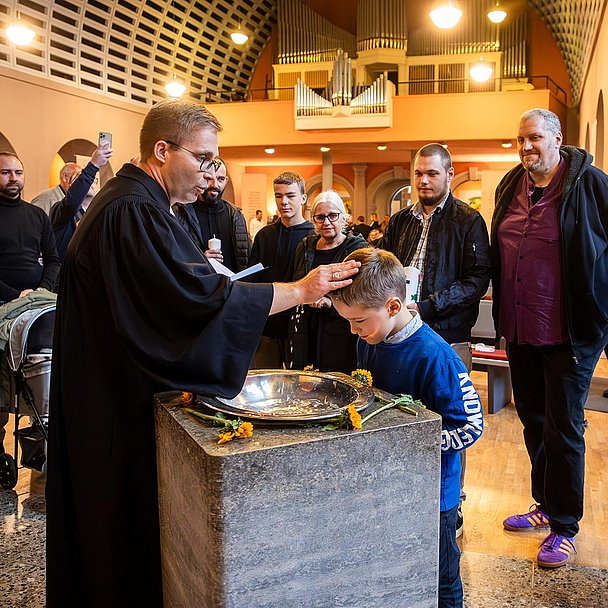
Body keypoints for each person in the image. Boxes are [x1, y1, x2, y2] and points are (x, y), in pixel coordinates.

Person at [45, 99, 359, 608]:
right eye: (205, 159)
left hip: (112, 391)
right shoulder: (131, 209)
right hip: (109, 405)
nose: (212, 173)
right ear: (163, 150)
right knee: (116, 535)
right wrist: (300, 290)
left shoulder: (143, 204)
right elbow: (191, 303)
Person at [330, 247, 483, 608]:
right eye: (349, 322)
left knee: (442, 575)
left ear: (394, 307)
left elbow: (471, 425)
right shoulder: (372, 338)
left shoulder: (435, 355)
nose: (354, 331)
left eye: (359, 322)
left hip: (433, 493)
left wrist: (414, 442)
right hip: (390, 482)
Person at [492, 108, 608, 568]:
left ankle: (564, 525)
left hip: (570, 332)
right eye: (520, 140)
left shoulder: (590, 183)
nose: (526, 148)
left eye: (535, 139)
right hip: (521, 328)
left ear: (557, 138)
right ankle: (544, 504)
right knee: (534, 420)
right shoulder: (509, 185)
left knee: (564, 427)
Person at [379, 142, 491, 537]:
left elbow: (476, 280)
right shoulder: (400, 221)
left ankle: (452, 506)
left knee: (451, 422)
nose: (424, 181)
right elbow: (385, 269)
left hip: (446, 333)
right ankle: (408, 498)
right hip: (401, 334)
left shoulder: (467, 220)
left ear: (448, 174)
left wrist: (428, 306)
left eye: (432, 174)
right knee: (404, 418)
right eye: (419, 174)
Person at [0, 151, 60, 489]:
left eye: (18, 172)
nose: (14, 179)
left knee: (46, 369)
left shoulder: (37, 215)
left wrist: (40, 289)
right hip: (4, 301)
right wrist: (15, 293)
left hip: (38, 300)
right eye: (6, 173)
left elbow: (54, 259)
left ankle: (44, 458)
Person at [289, 190, 367, 372]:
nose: (327, 222)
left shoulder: (358, 249)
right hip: (306, 329)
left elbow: (362, 293)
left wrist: (329, 301)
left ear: (344, 218)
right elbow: (297, 281)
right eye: (320, 217)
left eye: (333, 216)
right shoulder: (305, 246)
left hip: (341, 330)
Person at [248, 171, 315, 369]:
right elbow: (253, 279)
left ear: (303, 198)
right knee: (266, 385)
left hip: (300, 325)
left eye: (290, 195)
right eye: (278, 195)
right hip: (267, 324)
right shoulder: (264, 235)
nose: (283, 201)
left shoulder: (313, 235)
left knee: (300, 385)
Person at [173, 161, 250, 272]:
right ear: (200, 178)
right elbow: (174, 256)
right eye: (209, 179)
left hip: (233, 286)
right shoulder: (181, 213)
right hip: (198, 285)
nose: (215, 185)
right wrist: (200, 260)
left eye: (220, 179)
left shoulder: (236, 215)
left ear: (226, 181)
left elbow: (245, 257)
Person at [50, 141, 113, 261]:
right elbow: (72, 202)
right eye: (79, 177)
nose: (90, 182)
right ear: (70, 186)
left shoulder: (97, 214)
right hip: (65, 274)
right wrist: (93, 165)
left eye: (93, 180)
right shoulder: (61, 210)